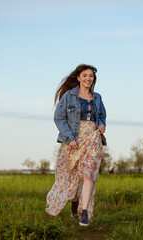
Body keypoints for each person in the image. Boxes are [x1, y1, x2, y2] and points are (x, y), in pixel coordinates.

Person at [45, 64, 107, 226]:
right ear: (78, 77)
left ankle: (84, 211)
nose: (88, 79)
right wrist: (70, 138)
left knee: (89, 175)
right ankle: (74, 199)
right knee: (72, 176)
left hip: (92, 140)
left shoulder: (98, 98)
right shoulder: (68, 96)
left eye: (91, 76)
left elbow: (101, 116)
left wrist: (101, 125)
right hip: (74, 140)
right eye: (85, 75)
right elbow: (59, 118)